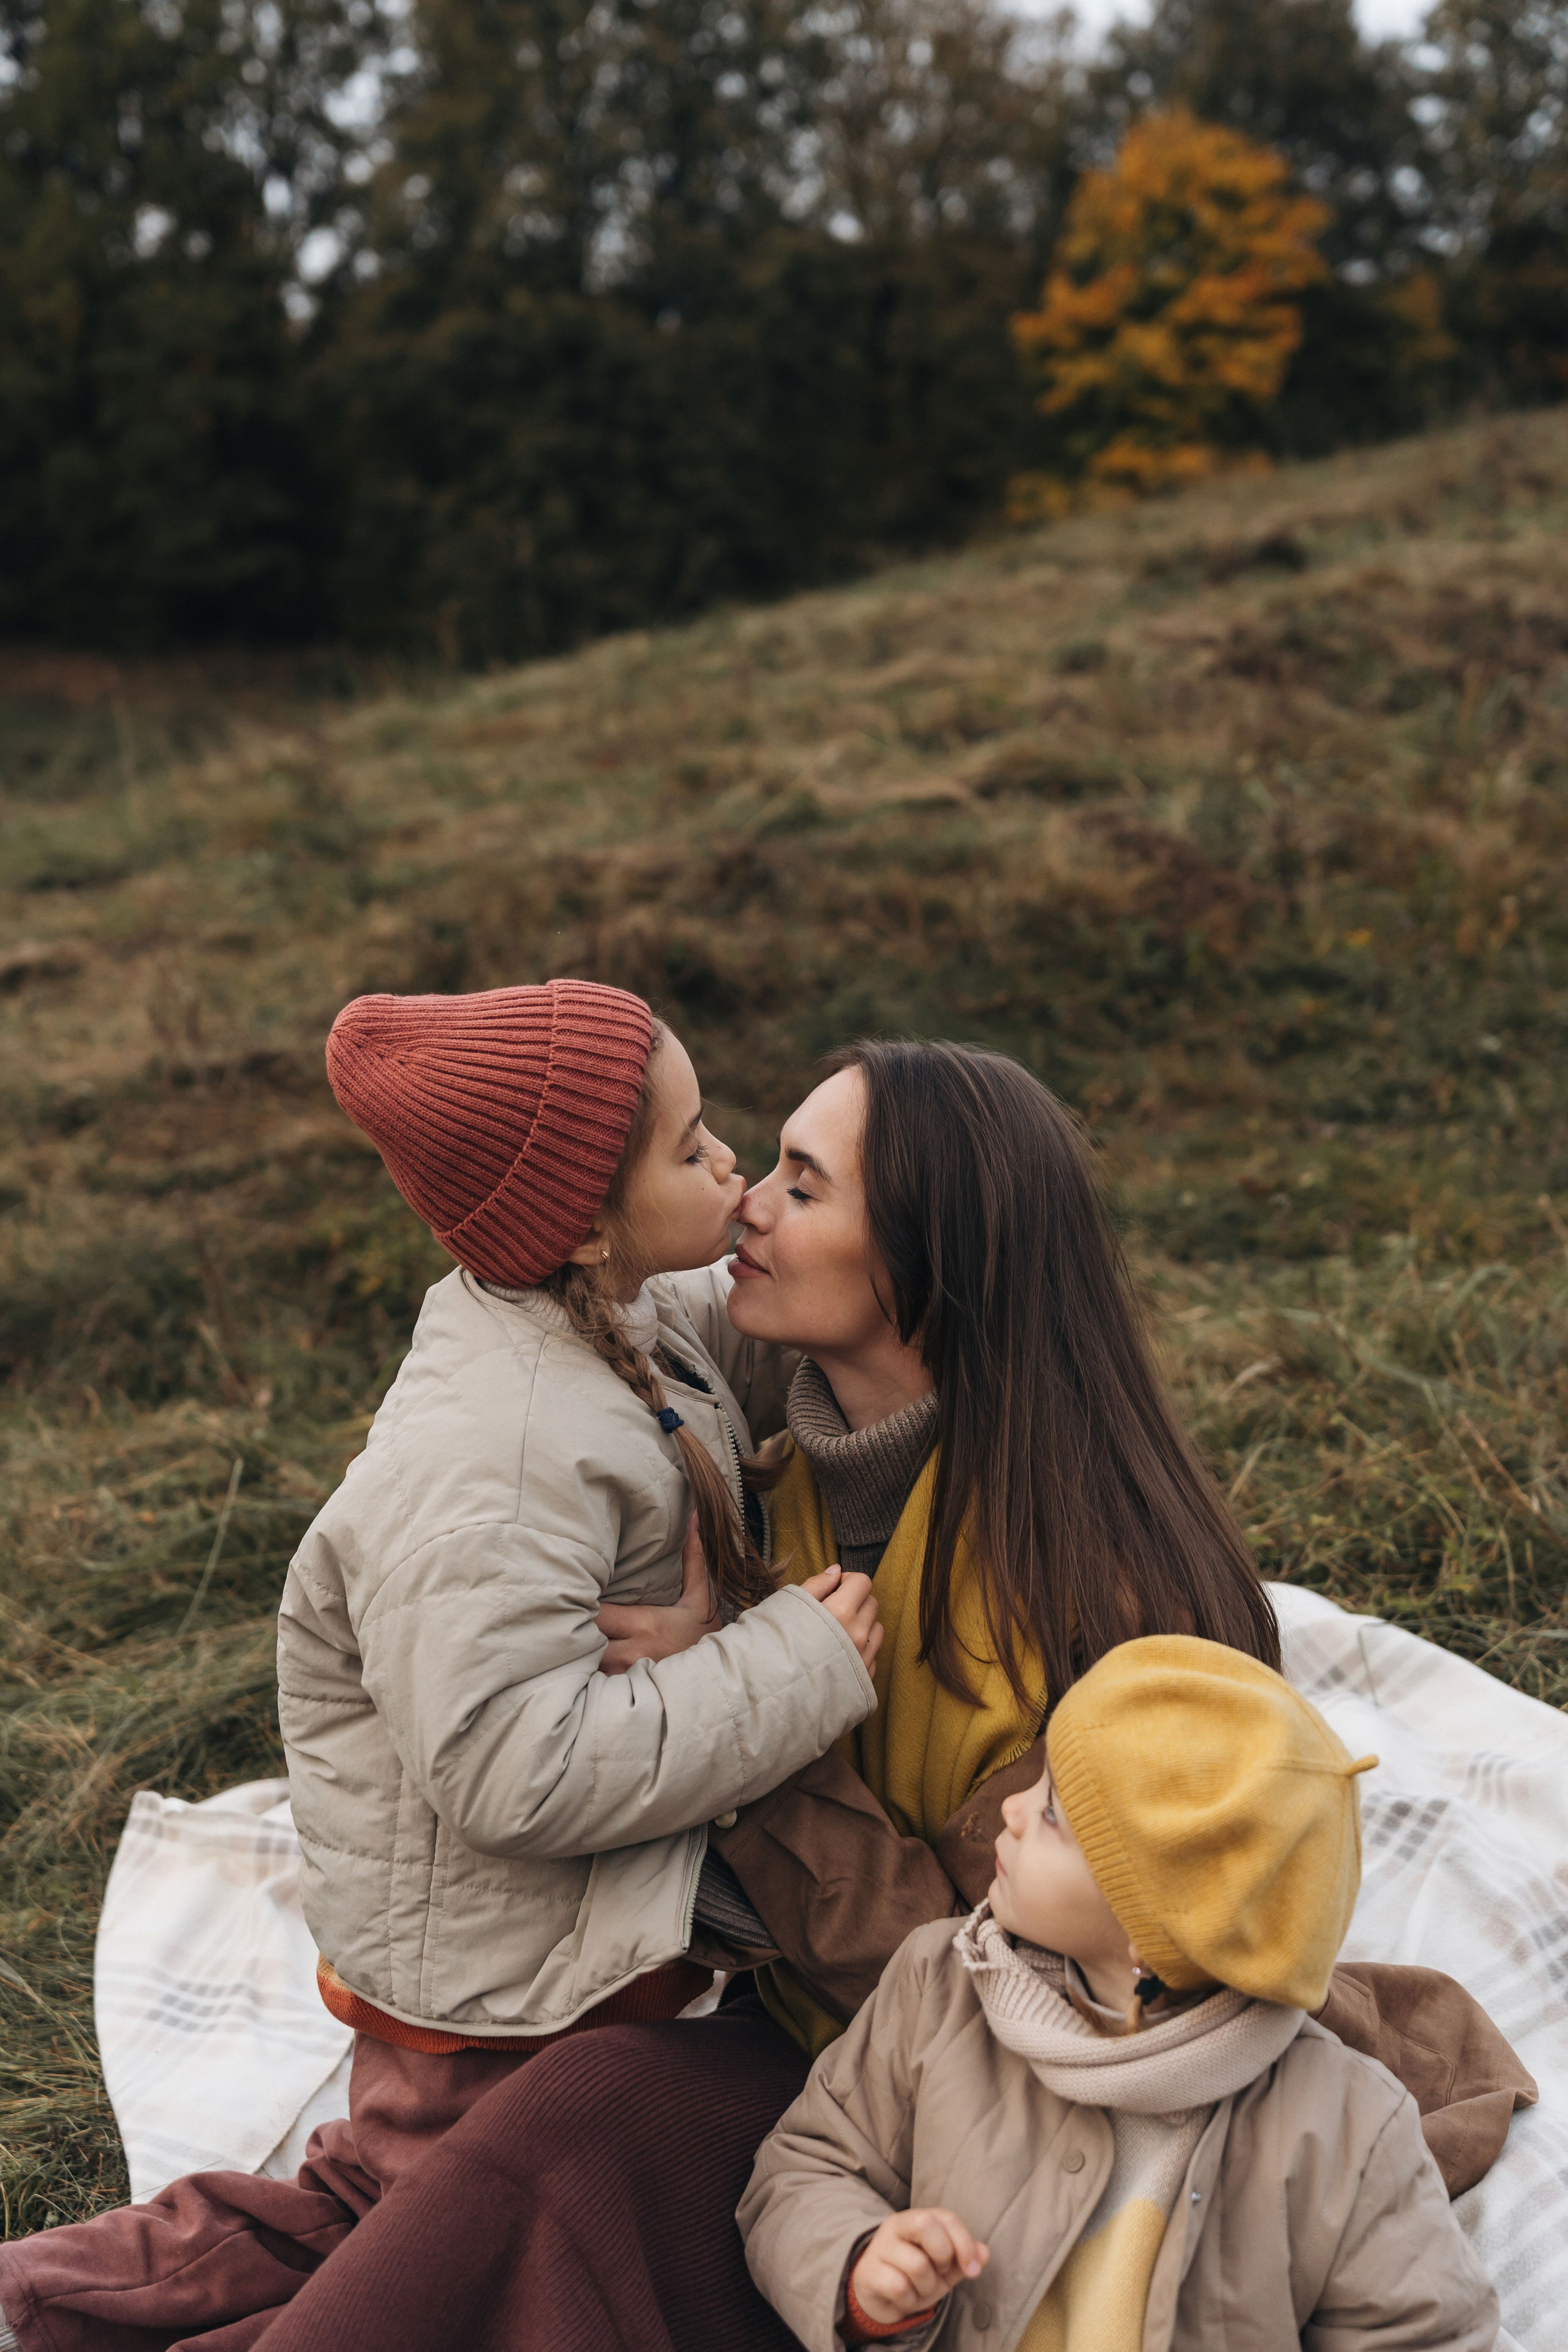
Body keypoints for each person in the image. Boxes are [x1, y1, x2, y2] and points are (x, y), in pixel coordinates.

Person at [0, 979, 883, 2352]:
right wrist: (788, 1659)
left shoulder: (610, 1315)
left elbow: (734, 1346)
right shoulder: (504, 1458)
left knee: (366, 2200)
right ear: (585, 1221)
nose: (731, 1165)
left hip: (537, 1959)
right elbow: (514, 1773)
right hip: (495, 1986)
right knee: (423, 2249)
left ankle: (42, 2298)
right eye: (691, 1142)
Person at [739, 1635, 1501, 2352]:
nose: (1008, 1810)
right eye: (1039, 1780)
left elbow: (1426, 2333)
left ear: (1150, 1931)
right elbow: (808, 2165)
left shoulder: (1346, 2130)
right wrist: (859, 2264)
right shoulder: (938, 1987)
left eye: (1049, 1815)